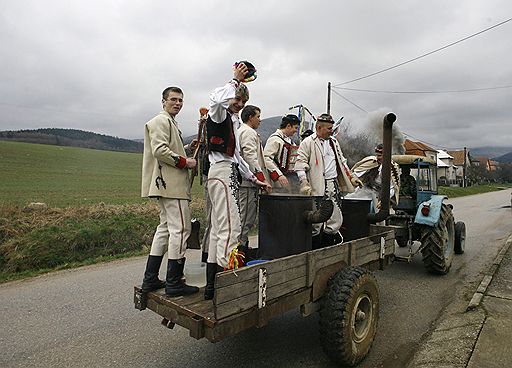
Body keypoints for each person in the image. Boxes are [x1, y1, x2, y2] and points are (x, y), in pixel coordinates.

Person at [204, 63, 271, 300]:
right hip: (221, 173)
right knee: (230, 228)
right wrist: (235, 80)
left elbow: (238, 158)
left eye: (242, 102)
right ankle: (228, 286)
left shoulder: (232, 121)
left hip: (227, 171)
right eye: (237, 100)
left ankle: (212, 287)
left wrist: (255, 179)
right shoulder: (219, 112)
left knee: (218, 230)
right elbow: (216, 99)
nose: (239, 104)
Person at [140, 86, 199, 298]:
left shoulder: (169, 122)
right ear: (163, 101)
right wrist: (186, 161)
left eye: (180, 100)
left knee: (164, 229)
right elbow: (160, 150)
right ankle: (174, 282)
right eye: (173, 99)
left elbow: (168, 147)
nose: (177, 103)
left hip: (165, 184)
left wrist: (186, 148)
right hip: (171, 185)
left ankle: (151, 278)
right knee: (181, 230)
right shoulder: (161, 121)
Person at [295, 113, 363, 248]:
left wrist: (351, 177)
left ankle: (327, 249)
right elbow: (300, 163)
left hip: (333, 184)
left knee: (336, 219)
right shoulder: (308, 142)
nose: (332, 131)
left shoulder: (334, 142)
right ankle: (313, 249)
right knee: (317, 221)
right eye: (329, 128)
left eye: (332, 128)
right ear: (319, 128)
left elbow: (342, 162)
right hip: (316, 185)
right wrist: (304, 182)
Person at [238, 105, 269, 260]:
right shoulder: (248, 132)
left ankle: (242, 251)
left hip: (247, 182)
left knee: (245, 219)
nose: (260, 120)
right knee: (245, 220)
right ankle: (238, 256)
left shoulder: (244, 131)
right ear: (250, 117)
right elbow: (250, 157)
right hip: (247, 183)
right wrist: (261, 179)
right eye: (258, 116)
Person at [351, 144, 400, 210]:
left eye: (379, 155)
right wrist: (354, 179)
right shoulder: (371, 162)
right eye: (376, 155)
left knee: (381, 215)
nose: (377, 158)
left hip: (381, 194)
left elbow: (392, 187)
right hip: (364, 192)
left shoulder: (392, 168)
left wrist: (385, 200)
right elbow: (355, 173)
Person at [263, 114, 300, 189]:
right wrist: (279, 175)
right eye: (295, 128)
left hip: (290, 179)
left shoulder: (290, 141)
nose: (296, 131)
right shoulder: (275, 139)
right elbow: (267, 159)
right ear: (288, 126)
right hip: (277, 181)